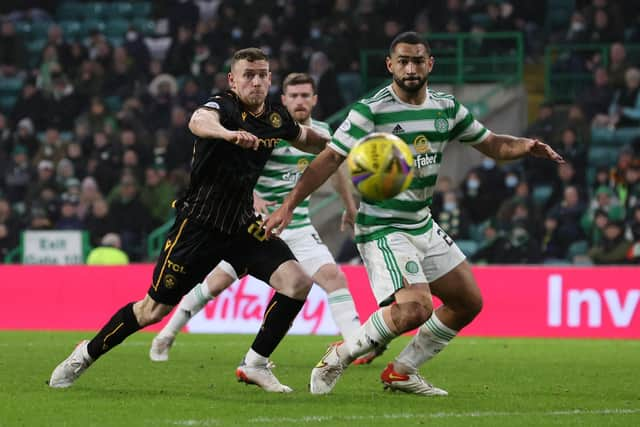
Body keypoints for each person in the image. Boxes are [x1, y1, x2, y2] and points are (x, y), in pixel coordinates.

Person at [265, 32, 564, 396]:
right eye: (403, 61)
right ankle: (340, 354)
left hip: (422, 222)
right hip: (381, 226)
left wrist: (525, 146)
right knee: (415, 309)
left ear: (430, 64)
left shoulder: (446, 108)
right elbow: (329, 159)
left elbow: (491, 144)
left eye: (418, 61)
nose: (410, 68)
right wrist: (289, 205)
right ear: (390, 65)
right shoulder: (370, 111)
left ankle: (403, 370)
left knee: (468, 303)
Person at [49, 48, 329, 393]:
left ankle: (255, 364)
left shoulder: (275, 117)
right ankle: (85, 355)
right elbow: (198, 120)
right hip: (197, 226)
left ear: (270, 78)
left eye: (262, 74)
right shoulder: (222, 106)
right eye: (248, 74)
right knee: (152, 311)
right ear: (233, 79)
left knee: (298, 283)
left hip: (241, 224)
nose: (256, 81)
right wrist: (227, 134)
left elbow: (308, 140)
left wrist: (343, 145)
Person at [149, 72, 383, 366]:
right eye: (294, 96)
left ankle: (354, 345)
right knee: (216, 283)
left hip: (297, 226)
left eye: (305, 95)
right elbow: (241, 168)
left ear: (314, 99)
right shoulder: (272, 129)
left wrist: (350, 206)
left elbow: (335, 170)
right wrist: (255, 200)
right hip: (255, 224)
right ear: (284, 99)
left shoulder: (321, 133)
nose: (300, 101)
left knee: (334, 278)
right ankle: (167, 333)